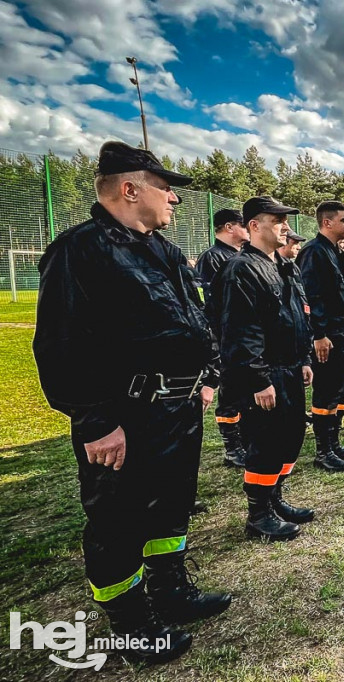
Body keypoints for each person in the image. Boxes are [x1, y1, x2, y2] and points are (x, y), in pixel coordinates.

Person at [33, 141, 230, 663]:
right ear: (129, 188)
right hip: (125, 415)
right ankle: (130, 624)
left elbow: (195, 319)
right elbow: (60, 345)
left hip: (177, 410)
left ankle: (170, 591)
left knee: (170, 507)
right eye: (167, 189)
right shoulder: (81, 249)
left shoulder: (162, 251)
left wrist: (206, 375)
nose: (174, 200)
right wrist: (97, 421)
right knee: (118, 521)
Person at [214, 196, 315, 541]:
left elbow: (299, 316)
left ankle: (275, 499)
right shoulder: (241, 269)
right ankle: (258, 514)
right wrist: (258, 379)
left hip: (289, 370)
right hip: (265, 375)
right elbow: (241, 331)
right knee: (265, 444)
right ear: (254, 226)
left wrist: (303, 360)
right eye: (278, 221)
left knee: (290, 438)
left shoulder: (285, 266)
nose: (285, 227)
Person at [294, 200, 344, 474]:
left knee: (339, 389)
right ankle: (323, 451)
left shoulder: (335, 252)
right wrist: (319, 334)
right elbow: (311, 296)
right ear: (327, 223)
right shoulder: (314, 252)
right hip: (329, 336)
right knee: (325, 392)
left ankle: (334, 443)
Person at [195, 209, 250, 469]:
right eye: (243, 224)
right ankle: (232, 447)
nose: (248, 229)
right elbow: (213, 306)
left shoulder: (240, 255)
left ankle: (246, 440)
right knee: (230, 394)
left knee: (245, 392)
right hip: (225, 338)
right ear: (229, 227)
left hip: (243, 338)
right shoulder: (213, 258)